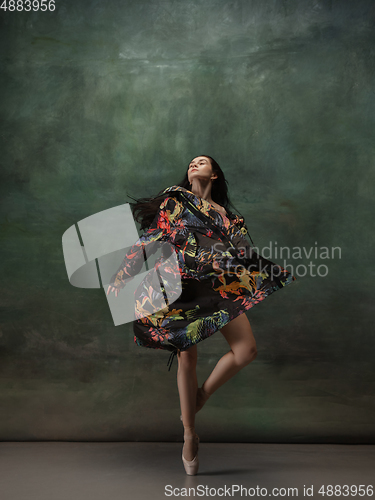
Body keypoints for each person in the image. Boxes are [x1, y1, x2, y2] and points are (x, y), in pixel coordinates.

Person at [107, 155, 297, 475]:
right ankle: (190, 436)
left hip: (219, 288)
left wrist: (267, 270)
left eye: (202, 162)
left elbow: (242, 255)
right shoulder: (175, 200)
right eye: (192, 162)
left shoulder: (231, 219)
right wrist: (130, 270)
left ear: (215, 175)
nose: (194, 164)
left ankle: (199, 398)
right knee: (187, 359)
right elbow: (157, 236)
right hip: (181, 288)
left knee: (246, 350)